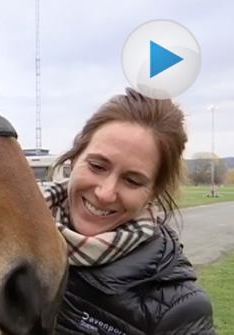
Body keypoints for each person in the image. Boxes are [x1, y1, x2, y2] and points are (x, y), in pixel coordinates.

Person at [44, 88, 215, 334]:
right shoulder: (8, 236)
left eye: (132, 181)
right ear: (75, 158)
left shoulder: (180, 310)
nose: (105, 193)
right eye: (97, 166)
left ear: (154, 193)